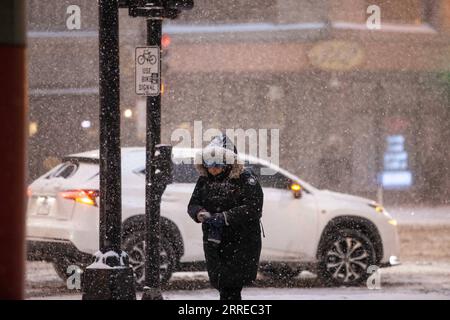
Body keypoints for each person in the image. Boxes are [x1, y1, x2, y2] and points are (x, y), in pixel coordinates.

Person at [187, 134, 264, 300]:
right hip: (215, 241)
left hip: (241, 242)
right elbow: (193, 204)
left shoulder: (245, 180)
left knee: (232, 287)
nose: (213, 168)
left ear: (229, 162)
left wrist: (224, 217)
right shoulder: (204, 181)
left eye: (218, 163)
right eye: (208, 163)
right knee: (223, 285)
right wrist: (200, 213)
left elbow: (253, 208)